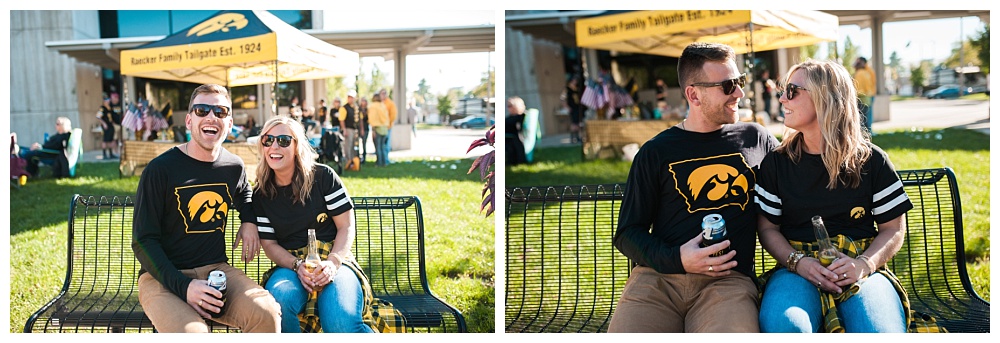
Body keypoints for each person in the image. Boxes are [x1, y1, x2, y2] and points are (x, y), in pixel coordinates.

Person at [608, 42, 779, 333]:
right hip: (658, 281)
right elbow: (627, 233)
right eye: (727, 86)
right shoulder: (656, 152)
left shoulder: (756, 138)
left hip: (727, 282)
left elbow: (799, 178)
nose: (739, 93)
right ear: (693, 94)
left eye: (739, 82)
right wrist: (677, 259)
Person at [755, 60, 913, 333]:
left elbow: (894, 229)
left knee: (878, 332)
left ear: (825, 98)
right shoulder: (776, 164)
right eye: (783, 90)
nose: (782, 98)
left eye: (792, 90)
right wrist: (798, 263)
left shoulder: (871, 160)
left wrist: (864, 264)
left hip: (860, 264)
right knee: (786, 327)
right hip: (796, 267)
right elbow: (767, 228)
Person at [131, 84, 281, 333]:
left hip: (216, 271)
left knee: (266, 315)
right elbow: (143, 241)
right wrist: (184, 286)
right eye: (202, 110)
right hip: (163, 278)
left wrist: (249, 221)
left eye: (220, 112)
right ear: (189, 120)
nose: (211, 117)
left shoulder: (233, 166)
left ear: (229, 123)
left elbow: (244, 192)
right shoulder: (160, 170)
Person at [252, 116, 375, 333]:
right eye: (268, 139)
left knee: (340, 323)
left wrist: (333, 263)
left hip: (334, 259)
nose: (274, 146)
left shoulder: (323, 177)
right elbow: (269, 244)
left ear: (297, 145)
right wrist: (297, 266)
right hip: (291, 265)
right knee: (278, 302)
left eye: (283, 140)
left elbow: (346, 226)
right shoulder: (261, 193)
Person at [853, 57, 876, 135]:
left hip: (861, 97)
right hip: (868, 96)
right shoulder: (868, 72)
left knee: (862, 118)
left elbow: (857, 87)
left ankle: (865, 135)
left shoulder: (859, 73)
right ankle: (869, 134)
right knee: (868, 117)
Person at [339, 91, 361, 168]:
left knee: (353, 147)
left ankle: (352, 162)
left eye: (351, 97)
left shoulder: (356, 107)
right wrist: (344, 129)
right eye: (349, 97)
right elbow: (341, 119)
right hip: (348, 128)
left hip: (355, 129)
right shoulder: (344, 108)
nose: (350, 99)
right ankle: (348, 161)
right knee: (347, 146)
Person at [368, 93, 391, 167]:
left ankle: (379, 163)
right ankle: (385, 162)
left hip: (377, 128)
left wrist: (373, 129)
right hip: (385, 128)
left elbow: (373, 118)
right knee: (383, 146)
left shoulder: (373, 106)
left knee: (378, 147)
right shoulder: (383, 105)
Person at [504, 96, 527, 166]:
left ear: (516, 106)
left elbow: (517, 129)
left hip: (512, 138)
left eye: (510, 106)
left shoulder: (519, 117)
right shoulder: (511, 117)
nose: (508, 108)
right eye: (508, 106)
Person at [565, 76, 583, 143]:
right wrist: (567, 107)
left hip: (577, 108)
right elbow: (562, 99)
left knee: (578, 123)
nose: (576, 82)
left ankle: (579, 137)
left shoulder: (576, 89)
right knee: (574, 124)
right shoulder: (567, 89)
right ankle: (573, 138)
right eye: (574, 80)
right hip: (572, 109)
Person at [358, 97, 370, 163]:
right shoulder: (358, 109)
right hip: (359, 129)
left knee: (364, 143)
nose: (363, 102)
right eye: (362, 101)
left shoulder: (368, 110)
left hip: (366, 129)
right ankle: (358, 157)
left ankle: (364, 157)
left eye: (365, 101)